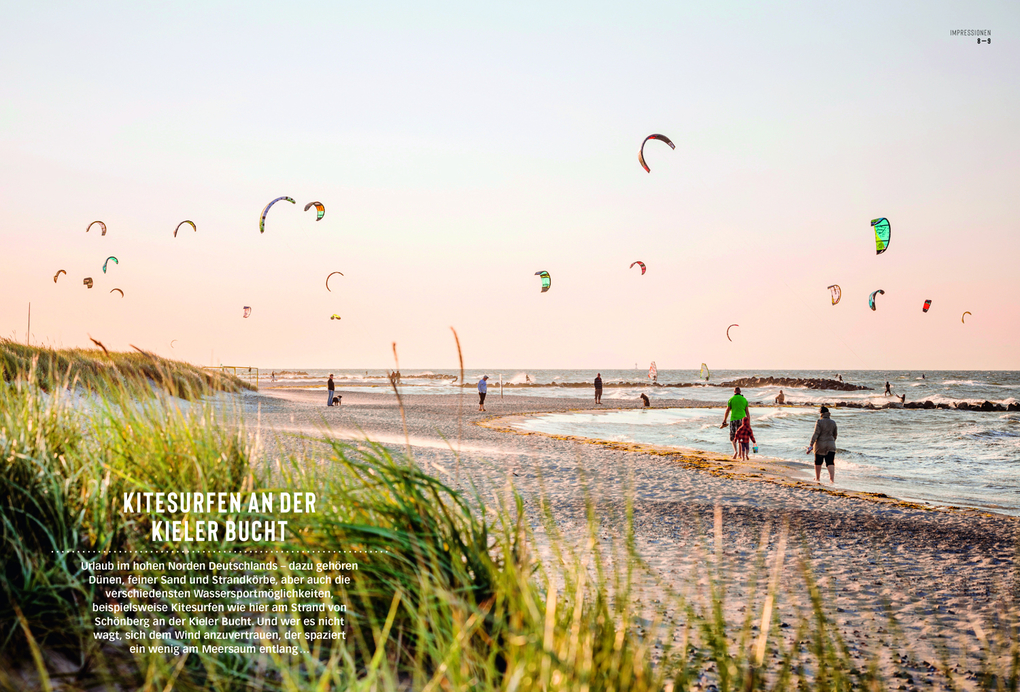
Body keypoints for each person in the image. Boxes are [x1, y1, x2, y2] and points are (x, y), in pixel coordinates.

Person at [806, 405, 838, 484]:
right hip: (831, 444)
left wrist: (811, 444)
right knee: (830, 462)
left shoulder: (819, 422)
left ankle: (817, 478)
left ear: (821, 413)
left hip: (820, 445)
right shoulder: (833, 422)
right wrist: (832, 441)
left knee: (818, 461)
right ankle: (832, 480)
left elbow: (816, 434)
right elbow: (835, 434)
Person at [720, 387, 750, 459]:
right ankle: (740, 454)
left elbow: (727, 411)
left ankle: (735, 452)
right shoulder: (744, 399)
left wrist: (724, 420)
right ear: (740, 391)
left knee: (733, 436)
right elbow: (747, 412)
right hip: (742, 420)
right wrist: (748, 422)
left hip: (733, 419)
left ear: (734, 392)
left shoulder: (731, 399)